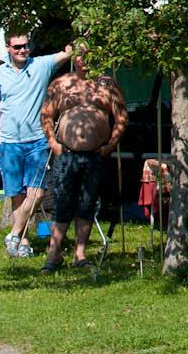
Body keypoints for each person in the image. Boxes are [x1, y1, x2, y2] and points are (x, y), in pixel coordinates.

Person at [39, 45, 127, 271]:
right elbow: (46, 114)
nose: (85, 59)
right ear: (74, 58)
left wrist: (111, 145)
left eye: (90, 54)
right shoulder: (61, 83)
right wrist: (53, 143)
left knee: (87, 203)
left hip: (95, 154)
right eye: (81, 55)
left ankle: (80, 254)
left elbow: (121, 118)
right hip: (67, 153)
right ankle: (54, 254)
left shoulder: (107, 85)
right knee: (62, 203)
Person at [0, 32, 72, 259]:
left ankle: (14, 233)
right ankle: (22, 242)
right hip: (9, 142)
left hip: (37, 141)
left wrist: (75, 45)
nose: (22, 50)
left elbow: (66, 55)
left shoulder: (41, 65)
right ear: (8, 48)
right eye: (17, 47)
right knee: (17, 194)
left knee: (38, 192)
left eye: (25, 46)